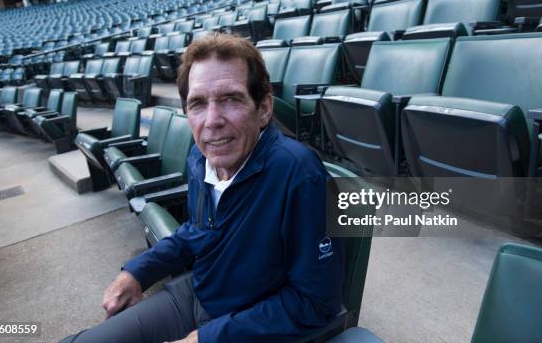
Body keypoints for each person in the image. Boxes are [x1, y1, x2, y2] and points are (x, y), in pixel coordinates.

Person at [61, 33, 344, 343]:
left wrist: (209, 338)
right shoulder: (200, 157)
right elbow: (197, 231)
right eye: (197, 104)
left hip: (250, 325)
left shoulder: (301, 175)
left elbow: (316, 302)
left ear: (263, 108)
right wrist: (138, 271)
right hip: (198, 292)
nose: (212, 121)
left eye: (231, 99)